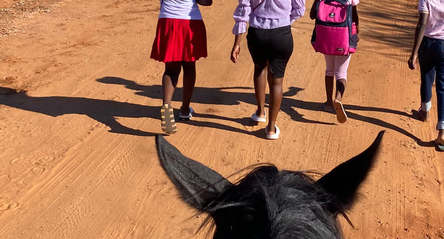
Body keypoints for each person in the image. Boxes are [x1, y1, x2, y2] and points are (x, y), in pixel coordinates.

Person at [230, 0, 306, 140]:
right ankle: (271, 129)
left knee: (259, 69)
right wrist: (284, 23)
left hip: (257, 33)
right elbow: (299, 9)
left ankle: (260, 113)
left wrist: (237, 43)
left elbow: (243, 10)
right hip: (282, 34)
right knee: (277, 81)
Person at [407, 0, 444, 151]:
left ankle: (425, 111)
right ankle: (442, 131)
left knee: (426, 76)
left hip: (427, 43)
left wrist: (414, 54)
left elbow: (421, 24)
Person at [151, 0, 212, 134]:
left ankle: (166, 104)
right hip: (190, 21)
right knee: (189, 67)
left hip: (167, 19)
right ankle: (184, 110)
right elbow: (206, 2)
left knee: (171, 70)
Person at [309, 0, 359, 124]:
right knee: (341, 72)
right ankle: (338, 98)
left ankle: (328, 103)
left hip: (326, 37)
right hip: (344, 37)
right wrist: (357, 31)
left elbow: (312, 15)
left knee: (329, 69)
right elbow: (354, 16)